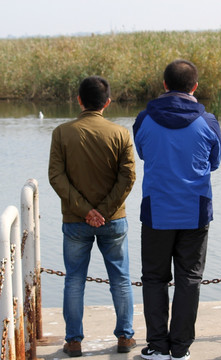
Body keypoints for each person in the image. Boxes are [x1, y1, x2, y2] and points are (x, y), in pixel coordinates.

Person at [133, 59, 221, 360]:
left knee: (154, 278)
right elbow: (215, 163)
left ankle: (157, 346)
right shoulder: (208, 122)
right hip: (194, 210)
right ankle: (180, 349)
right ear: (194, 87)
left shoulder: (144, 120)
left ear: (164, 84)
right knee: (189, 278)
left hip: (157, 210)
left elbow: (144, 153)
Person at [48, 76, 137, 357]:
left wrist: (86, 211)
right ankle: (125, 337)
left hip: (75, 221)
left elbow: (56, 177)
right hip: (113, 221)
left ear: (79, 100)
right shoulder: (121, 133)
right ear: (107, 103)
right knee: (120, 279)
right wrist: (104, 212)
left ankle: (73, 341)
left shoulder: (62, 133)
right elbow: (129, 176)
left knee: (74, 280)